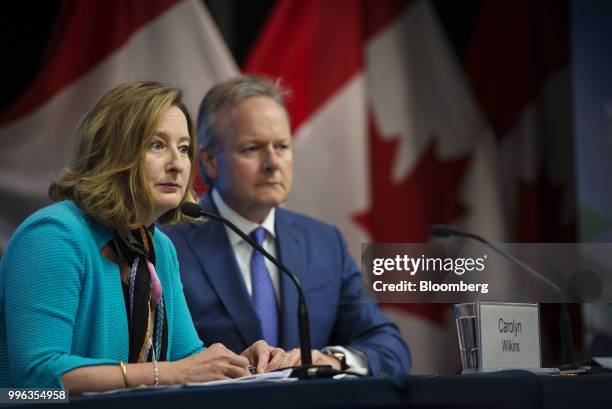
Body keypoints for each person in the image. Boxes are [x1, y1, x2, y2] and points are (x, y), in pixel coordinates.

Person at [0, 81, 290, 393]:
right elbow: (36, 376)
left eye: (183, 148)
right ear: (113, 152)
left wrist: (237, 365)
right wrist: (163, 373)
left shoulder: (158, 246)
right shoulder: (53, 236)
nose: (177, 164)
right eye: (156, 145)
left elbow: (185, 358)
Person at [163, 75, 411, 376]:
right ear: (210, 160)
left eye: (281, 146)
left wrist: (333, 359)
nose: (272, 162)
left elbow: (389, 346)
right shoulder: (166, 242)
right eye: (252, 148)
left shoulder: (323, 242)